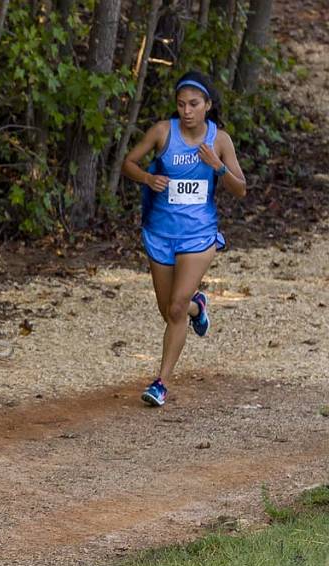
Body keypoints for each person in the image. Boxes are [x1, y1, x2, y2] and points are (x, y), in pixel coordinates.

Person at [121, 71, 246, 406]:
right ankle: (197, 307)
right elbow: (128, 163)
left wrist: (217, 166)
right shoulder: (164, 132)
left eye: (193, 104)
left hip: (199, 235)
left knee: (175, 307)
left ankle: (160, 383)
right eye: (181, 104)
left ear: (207, 105)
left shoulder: (220, 140)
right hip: (160, 233)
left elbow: (240, 188)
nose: (187, 110)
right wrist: (148, 177)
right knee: (170, 310)